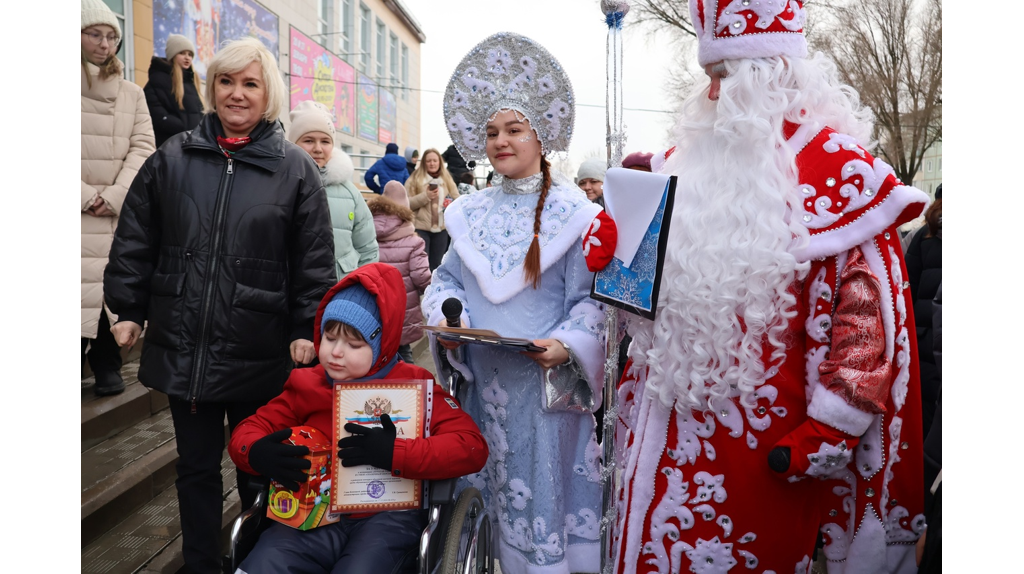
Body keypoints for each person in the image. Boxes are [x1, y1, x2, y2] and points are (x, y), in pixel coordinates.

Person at [605, 2, 931, 572]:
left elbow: (865, 331)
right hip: (660, 439)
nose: (709, 96)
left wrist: (827, 431)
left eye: (721, 77)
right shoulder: (679, 167)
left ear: (767, 74)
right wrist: (613, 260)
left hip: (766, 458)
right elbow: (637, 309)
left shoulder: (836, 172)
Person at [103, 37, 337, 573]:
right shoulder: (173, 156)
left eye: (250, 84)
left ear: (268, 94)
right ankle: (203, 563)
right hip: (187, 349)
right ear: (211, 88)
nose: (236, 94)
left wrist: (307, 325)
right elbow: (137, 236)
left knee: (259, 466)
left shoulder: (295, 169)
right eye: (226, 82)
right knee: (197, 469)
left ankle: (258, 559)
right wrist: (129, 308)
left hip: (262, 351)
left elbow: (314, 261)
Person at [423, 32, 607, 574]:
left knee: (540, 510)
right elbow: (444, 281)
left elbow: (591, 303)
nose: (501, 141)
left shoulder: (576, 213)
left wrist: (568, 345)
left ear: (540, 135)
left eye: (514, 129)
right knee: (481, 508)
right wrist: (450, 315)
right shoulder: (469, 212)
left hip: (543, 398)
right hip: (482, 390)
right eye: (492, 132)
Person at [228, 263, 488, 574]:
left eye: (353, 344)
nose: (336, 353)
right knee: (264, 563)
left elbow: (470, 446)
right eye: (329, 337)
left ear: (380, 346)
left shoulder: (415, 386)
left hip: (387, 517)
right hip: (313, 512)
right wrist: (256, 452)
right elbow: (249, 430)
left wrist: (396, 452)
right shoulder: (306, 383)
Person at [81, 0, 156, 396]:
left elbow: (144, 146)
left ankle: (108, 365)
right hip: (77, 209)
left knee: (112, 286)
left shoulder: (131, 93)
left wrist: (113, 195)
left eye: (112, 36)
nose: (105, 43)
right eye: (95, 34)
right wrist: (82, 195)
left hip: (114, 209)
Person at [289, 100, 379, 279]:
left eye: (325, 141)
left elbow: (368, 250)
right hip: (293, 292)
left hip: (340, 289)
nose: (318, 149)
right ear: (294, 143)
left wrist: (358, 289)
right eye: (308, 140)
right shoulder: (281, 186)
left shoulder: (350, 193)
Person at [367, 182, 432, 364]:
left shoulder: (365, 233)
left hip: (372, 308)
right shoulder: (413, 242)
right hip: (401, 311)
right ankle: (407, 389)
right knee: (404, 356)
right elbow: (422, 278)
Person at [904, 185, 941, 437]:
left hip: (921, 342)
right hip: (927, 340)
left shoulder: (922, 235)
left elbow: (905, 290)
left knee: (926, 423)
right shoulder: (921, 237)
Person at [143, 33, 205, 148]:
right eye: (182, 53)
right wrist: (183, 127)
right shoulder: (158, 79)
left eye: (190, 54)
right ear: (172, 55)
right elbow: (157, 114)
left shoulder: (192, 81)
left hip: (193, 144)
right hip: (171, 145)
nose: (187, 57)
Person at [406, 148, 459, 271]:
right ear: (424, 163)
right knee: (421, 265)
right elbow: (406, 203)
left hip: (442, 229)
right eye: (428, 161)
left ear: (440, 162)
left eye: (435, 160)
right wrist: (425, 196)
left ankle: (434, 289)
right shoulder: (415, 178)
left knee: (437, 265)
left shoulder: (447, 178)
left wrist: (449, 205)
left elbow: (457, 200)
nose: (432, 163)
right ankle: (422, 290)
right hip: (420, 228)